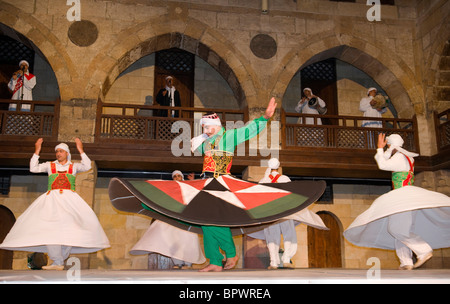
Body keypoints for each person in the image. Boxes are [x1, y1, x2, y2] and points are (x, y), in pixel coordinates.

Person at [0, 138, 110, 270]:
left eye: (61, 151)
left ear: (67, 153)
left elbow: (87, 166)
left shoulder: (73, 166)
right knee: (50, 229)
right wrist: (37, 150)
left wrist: (81, 150)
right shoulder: (50, 165)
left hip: (69, 200)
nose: (58, 153)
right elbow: (33, 168)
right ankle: (57, 261)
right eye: (57, 151)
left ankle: (60, 259)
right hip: (52, 199)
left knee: (71, 229)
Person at [344, 133, 450, 270]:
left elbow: (382, 164)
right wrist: (387, 149)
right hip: (406, 196)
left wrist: (379, 148)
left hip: (402, 197)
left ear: (392, 145)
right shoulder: (406, 157)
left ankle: (423, 250)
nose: (387, 146)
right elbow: (387, 159)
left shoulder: (400, 157)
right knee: (399, 230)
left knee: (396, 229)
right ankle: (406, 262)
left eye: (388, 144)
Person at [248, 158, 327, 269]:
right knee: (289, 234)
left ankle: (273, 263)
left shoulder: (263, 179)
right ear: (278, 167)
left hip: (270, 213)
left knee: (272, 236)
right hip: (286, 210)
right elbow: (292, 195)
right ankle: (286, 260)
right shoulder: (284, 178)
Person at [129, 170, 206, 269]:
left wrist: (192, 181)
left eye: (179, 176)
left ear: (182, 177)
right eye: (175, 176)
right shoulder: (169, 189)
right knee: (170, 239)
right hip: (172, 217)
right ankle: (178, 263)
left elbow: (195, 193)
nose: (177, 178)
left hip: (185, 218)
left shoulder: (187, 188)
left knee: (188, 240)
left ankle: (188, 263)